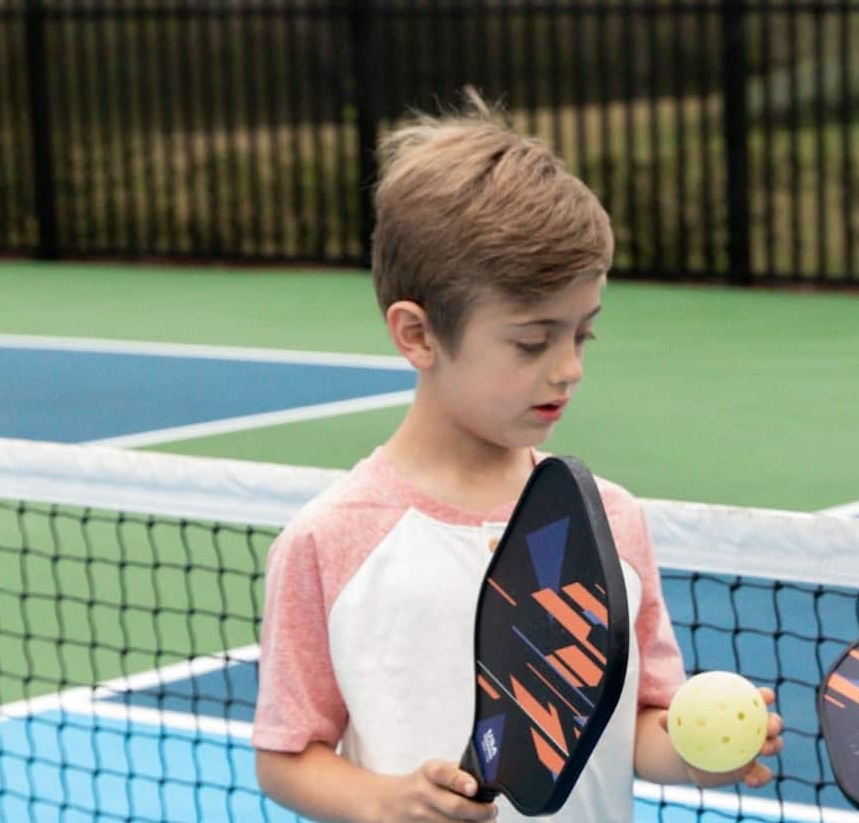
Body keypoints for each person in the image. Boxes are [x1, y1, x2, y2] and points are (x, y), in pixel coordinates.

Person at [252, 92, 782, 822]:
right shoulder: (329, 539)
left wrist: (698, 748)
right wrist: (387, 801)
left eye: (582, 335)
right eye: (533, 342)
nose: (568, 368)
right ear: (417, 335)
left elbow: (644, 724)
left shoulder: (612, 522)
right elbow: (286, 756)